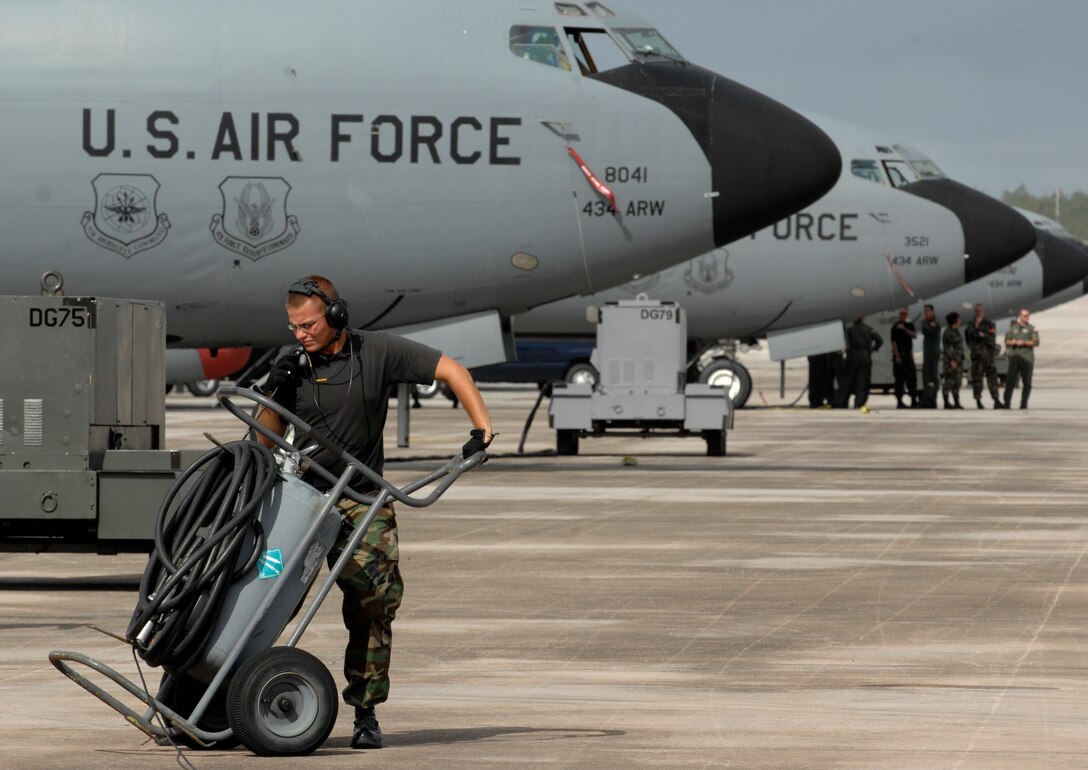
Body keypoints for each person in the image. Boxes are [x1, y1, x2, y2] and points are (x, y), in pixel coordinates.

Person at [257, 275, 494, 750]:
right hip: (301, 497)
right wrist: (273, 390)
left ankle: (365, 711)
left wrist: (482, 429)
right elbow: (263, 442)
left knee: (374, 601)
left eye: (308, 324)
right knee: (266, 594)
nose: (300, 334)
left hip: (362, 500)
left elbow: (452, 371)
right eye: (293, 327)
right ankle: (233, 683)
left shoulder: (378, 353)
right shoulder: (292, 367)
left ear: (337, 316)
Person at [833, 317, 883, 409]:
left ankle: (842, 403)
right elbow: (880, 340)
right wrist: (872, 349)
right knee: (862, 382)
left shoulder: (849, 330)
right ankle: (859, 404)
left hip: (852, 356)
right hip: (865, 357)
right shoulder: (869, 329)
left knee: (846, 381)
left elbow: (843, 342)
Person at [963, 302, 1005, 409]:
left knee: (992, 378)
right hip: (977, 357)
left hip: (988, 356)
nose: (979, 313)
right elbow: (971, 335)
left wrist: (980, 334)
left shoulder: (989, 323)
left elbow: (991, 338)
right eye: (977, 311)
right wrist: (978, 329)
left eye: (980, 311)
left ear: (983, 311)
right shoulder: (971, 324)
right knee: (977, 380)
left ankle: (996, 400)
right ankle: (978, 401)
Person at [1003, 308, 1039, 409]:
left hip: (1026, 358)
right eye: (1024, 316)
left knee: (1027, 383)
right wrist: (1013, 342)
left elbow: (1036, 342)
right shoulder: (1013, 328)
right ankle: (1007, 403)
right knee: (1010, 381)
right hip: (1014, 358)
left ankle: (1023, 404)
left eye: (1027, 315)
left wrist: (1024, 343)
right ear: (1020, 316)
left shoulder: (1032, 329)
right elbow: (1006, 340)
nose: (1026, 317)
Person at [889, 307, 917, 409]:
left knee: (912, 378)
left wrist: (905, 329)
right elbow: (893, 342)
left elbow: (914, 335)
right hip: (900, 355)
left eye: (904, 314)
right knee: (899, 379)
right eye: (901, 313)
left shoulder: (909, 325)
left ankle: (913, 400)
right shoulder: (895, 326)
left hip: (908, 354)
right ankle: (899, 401)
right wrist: (897, 356)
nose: (902, 315)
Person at [940, 311, 965, 409]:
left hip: (958, 361)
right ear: (955, 320)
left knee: (957, 382)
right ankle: (946, 402)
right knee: (949, 381)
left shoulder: (956, 331)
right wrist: (952, 360)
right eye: (958, 319)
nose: (960, 321)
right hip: (951, 361)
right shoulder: (948, 332)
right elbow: (947, 348)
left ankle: (956, 402)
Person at [919, 304, 941, 408]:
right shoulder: (927, 322)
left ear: (932, 311)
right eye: (925, 311)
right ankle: (928, 398)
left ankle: (932, 399)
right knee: (926, 376)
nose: (925, 313)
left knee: (932, 376)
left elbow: (927, 330)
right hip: (928, 353)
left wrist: (924, 324)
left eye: (927, 311)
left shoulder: (934, 322)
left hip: (933, 353)